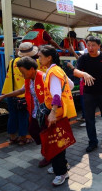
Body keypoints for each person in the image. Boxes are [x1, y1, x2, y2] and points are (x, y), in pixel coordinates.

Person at [0, 56, 50, 167]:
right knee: (33, 131)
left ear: (31, 69)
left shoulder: (44, 76)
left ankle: (49, 156)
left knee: (46, 135)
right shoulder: (29, 80)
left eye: (22, 72)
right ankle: (48, 150)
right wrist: (4, 96)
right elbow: (21, 90)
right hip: (35, 113)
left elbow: (59, 89)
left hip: (46, 114)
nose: (22, 74)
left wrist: (54, 111)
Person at [38, 45, 76, 186]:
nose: (39, 59)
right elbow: (70, 85)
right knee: (60, 141)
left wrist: (52, 113)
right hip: (61, 112)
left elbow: (56, 95)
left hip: (56, 113)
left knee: (55, 143)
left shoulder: (53, 72)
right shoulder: (58, 70)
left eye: (40, 56)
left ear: (49, 58)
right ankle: (61, 166)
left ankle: (61, 173)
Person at [72, 36, 102, 152]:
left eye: (93, 45)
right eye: (88, 45)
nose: (90, 47)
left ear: (98, 46)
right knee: (89, 119)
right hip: (88, 93)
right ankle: (93, 142)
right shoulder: (83, 58)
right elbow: (75, 71)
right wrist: (83, 74)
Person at [0, 43, 36, 145]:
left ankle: (12, 137)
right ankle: (23, 138)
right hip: (23, 94)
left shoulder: (12, 62)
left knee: (12, 115)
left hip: (10, 92)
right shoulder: (32, 63)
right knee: (23, 116)